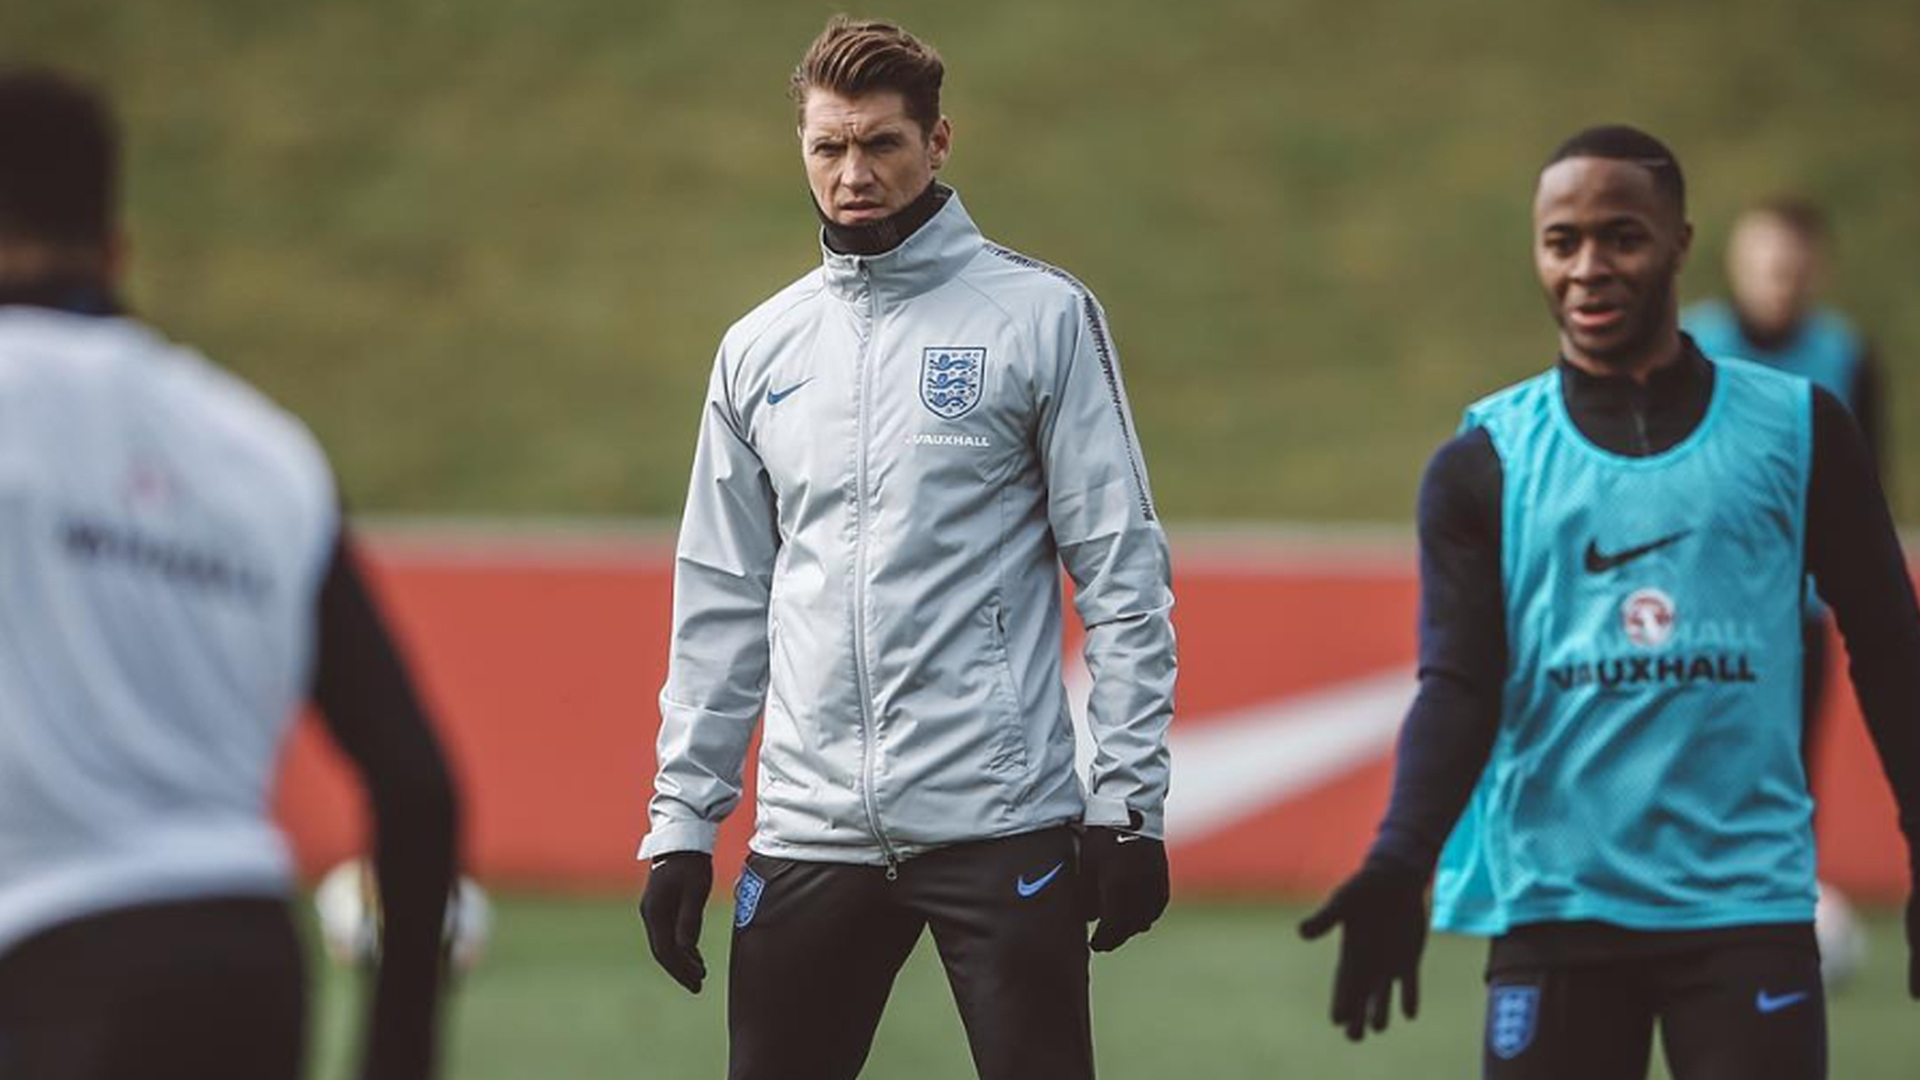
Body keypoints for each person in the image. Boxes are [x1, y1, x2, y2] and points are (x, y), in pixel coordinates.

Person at [1300, 125, 1920, 1079]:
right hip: (1556, 910)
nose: (1589, 266)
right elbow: (1460, 685)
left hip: (1746, 909)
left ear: (1679, 241)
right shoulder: (1484, 464)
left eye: (1622, 236)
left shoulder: (1801, 431)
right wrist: (1398, 859)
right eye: (1562, 241)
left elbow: (1888, 646)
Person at [636, 17, 1175, 1080]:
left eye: (882, 143)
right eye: (828, 147)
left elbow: (1122, 577)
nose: (854, 173)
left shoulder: (1041, 317)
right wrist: (683, 822)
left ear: (939, 142)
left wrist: (1129, 805)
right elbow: (721, 598)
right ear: (801, 147)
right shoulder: (759, 349)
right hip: (807, 828)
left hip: (1001, 822)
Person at [0, 70, 460, 1079]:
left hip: (43, 973)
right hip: (248, 974)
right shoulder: (260, 447)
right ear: (116, 248)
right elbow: (420, 788)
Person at [1683, 200, 1886, 791]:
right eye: (1767, 266)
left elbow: (1865, 488)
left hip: (1796, 611)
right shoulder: (1690, 344)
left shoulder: (1845, 356)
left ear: (1817, 270)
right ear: (1737, 263)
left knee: (1787, 777)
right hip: (1697, 605)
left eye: (1792, 270)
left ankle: (1790, 882)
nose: (1779, 283)